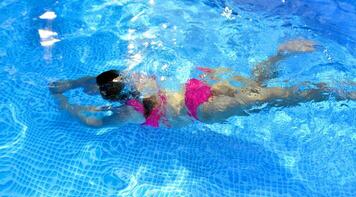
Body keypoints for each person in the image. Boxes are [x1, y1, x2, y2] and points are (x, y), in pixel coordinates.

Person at [49, 39, 355, 128]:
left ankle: (281, 57)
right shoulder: (133, 103)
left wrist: (68, 88)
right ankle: (337, 89)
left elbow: (95, 97)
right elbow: (93, 118)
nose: (135, 74)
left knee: (265, 90)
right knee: (271, 93)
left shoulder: (128, 95)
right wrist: (66, 98)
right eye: (129, 78)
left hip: (201, 95)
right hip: (204, 103)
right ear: (127, 87)